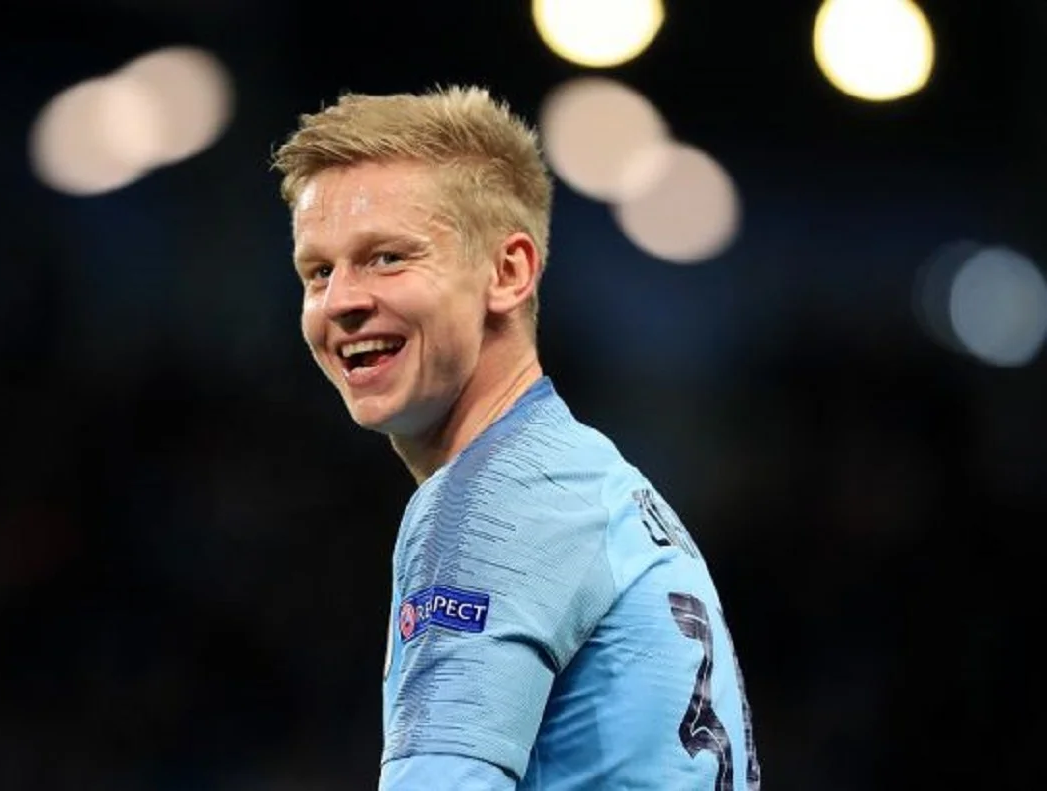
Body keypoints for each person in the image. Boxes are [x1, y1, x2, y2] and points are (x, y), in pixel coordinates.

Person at [272, 85, 761, 790]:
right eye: (318, 271)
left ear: (508, 272)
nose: (341, 301)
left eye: (388, 258)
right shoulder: (596, 483)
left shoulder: (492, 504)